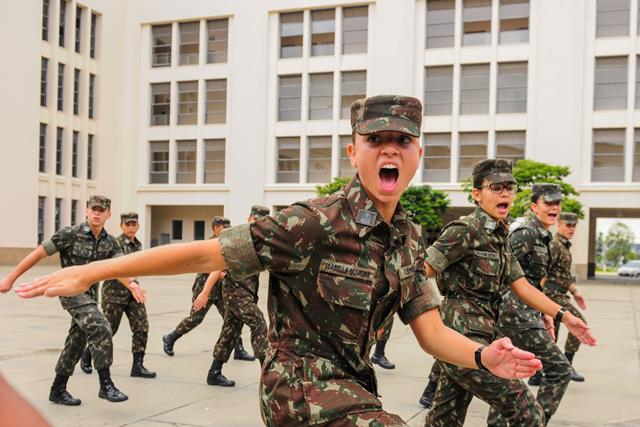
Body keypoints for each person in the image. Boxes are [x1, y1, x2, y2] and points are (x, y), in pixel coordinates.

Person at [17, 96, 545, 426]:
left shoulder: (408, 238)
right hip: (298, 389)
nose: (389, 150)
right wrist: (93, 270)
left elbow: (430, 332)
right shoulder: (312, 222)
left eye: (402, 140)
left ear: (418, 153)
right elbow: (205, 251)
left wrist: (482, 357)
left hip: (355, 390)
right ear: (352, 151)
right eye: (374, 140)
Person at [424, 161, 595, 427]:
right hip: (460, 337)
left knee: (445, 418)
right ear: (477, 193)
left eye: (509, 188)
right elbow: (421, 271)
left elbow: (522, 284)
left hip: (485, 335)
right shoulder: (464, 230)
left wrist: (564, 316)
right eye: (496, 187)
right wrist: (432, 319)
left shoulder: (501, 235)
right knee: (529, 415)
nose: (505, 194)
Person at [0, 196, 141, 405]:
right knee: (101, 325)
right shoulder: (70, 234)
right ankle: (106, 384)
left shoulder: (110, 242)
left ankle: (57, 389)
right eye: (93, 208)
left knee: (76, 341)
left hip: (90, 297)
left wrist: (132, 284)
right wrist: (10, 278)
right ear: (86, 210)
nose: (96, 213)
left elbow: (119, 267)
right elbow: (38, 253)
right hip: (69, 293)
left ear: (108, 215)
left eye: (101, 210)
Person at [487, 184, 576, 426]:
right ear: (534, 206)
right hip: (513, 316)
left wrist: (544, 312)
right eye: (548, 203)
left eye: (557, 203)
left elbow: (533, 282)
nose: (554, 208)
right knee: (559, 370)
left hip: (525, 314)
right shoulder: (525, 232)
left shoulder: (544, 235)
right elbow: (501, 270)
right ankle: (534, 422)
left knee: (509, 376)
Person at [162, 217, 254, 361]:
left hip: (221, 290)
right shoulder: (209, 245)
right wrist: (226, 276)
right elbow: (214, 270)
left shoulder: (226, 244)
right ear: (215, 228)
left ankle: (238, 349)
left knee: (231, 318)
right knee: (195, 318)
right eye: (224, 227)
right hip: (204, 288)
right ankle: (170, 337)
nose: (227, 230)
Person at [79, 212, 156, 378]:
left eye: (133, 224)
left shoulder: (137, 245)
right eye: (127, 224)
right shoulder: (114, 243)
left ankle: (138, 366)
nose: (130, 227)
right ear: (121, 226)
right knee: (108, 329)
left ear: (138, 226)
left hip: (134, 293)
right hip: (114, 294)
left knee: (142, 327)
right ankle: (87, 356)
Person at [207, 205, 270, 387]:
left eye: (263, 220)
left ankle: (214, 372)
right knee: (258, 322)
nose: (258, 222)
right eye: (256, 218)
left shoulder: (262, 241)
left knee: (230, 332)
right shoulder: (237, 237)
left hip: (247, 293)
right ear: (249, 217)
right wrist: (204, 293)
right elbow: (218, 266)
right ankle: (267, 376)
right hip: (235, 292)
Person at [544, 211, 588, 382]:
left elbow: (561, 275)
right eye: (568, 225)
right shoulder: (555, 245)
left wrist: (575, 292)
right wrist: (541, 301)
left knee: (549, 337)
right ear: (559, 225)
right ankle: (566, 366)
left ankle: (540, 373)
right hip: (552, 296)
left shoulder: (564, 246)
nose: (571, 229)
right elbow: (543, 273)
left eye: (574, 226)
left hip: (559, 294)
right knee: (579, 324)